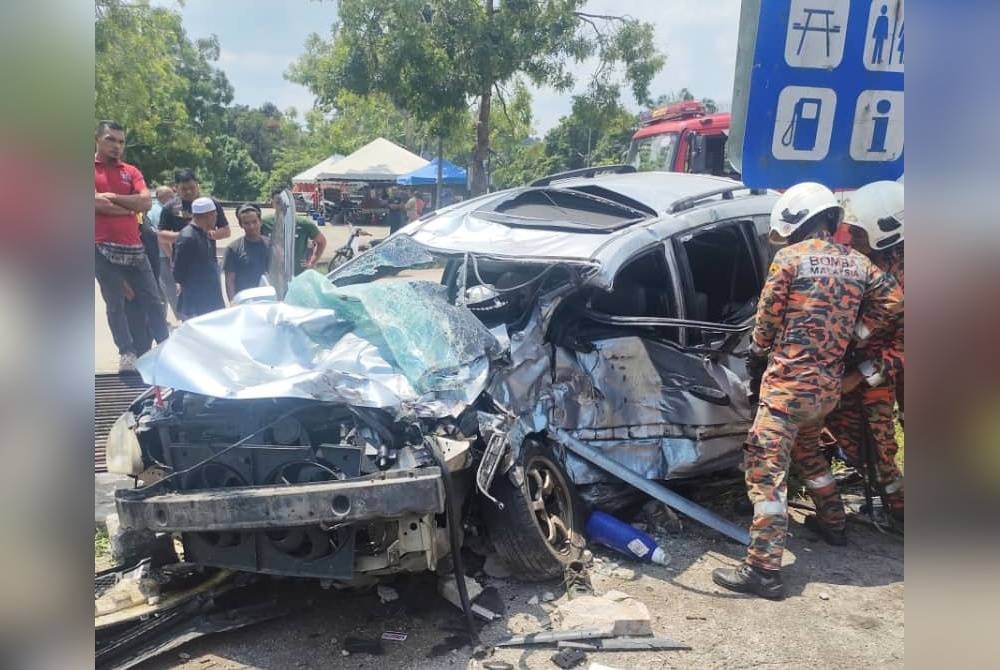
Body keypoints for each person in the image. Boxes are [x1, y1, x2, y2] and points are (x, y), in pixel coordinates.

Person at [711, 182, 903, 600]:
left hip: (787, 388)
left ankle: (763, 568)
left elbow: (766, 319)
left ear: (796, 226)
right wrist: (853, 334)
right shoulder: (859, 263)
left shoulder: (789, 259)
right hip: (827, 390)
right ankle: (833, 522)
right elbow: (893, 301)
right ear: (830, 219)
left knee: (765, 474)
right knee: (809, 453)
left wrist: (758, 355)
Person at [824, 181, 905, 520]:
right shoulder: (867, 264)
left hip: (881, 371)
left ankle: (900, 508)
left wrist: (860, 375)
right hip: (855, 364)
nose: (850, 239)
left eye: (857, 233)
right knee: (845, 432)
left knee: (880, 442)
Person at [93, 120, 169, 373]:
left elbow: (146, 202)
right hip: (101, 247)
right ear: (97, 140)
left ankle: (166, 346)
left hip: (134, 246)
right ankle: (127, 352)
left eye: (121, 141)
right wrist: (129, 205)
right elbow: (95, 205)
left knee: (154, 300)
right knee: (115, 303)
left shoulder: (131, 171)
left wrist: (113, 198)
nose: (116, 146)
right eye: (110, 140)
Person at [172, 196, 226, 319]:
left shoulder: (203, 233)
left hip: (209, 301)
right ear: (208, 215)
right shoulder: (188, 237)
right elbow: (178, 273)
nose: (216, 218)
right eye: (215, 214)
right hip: (196, 305)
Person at [157, 168, 231, 257]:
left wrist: (209, 234)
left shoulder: (211, 204)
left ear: (197, 185)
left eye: (192, 187)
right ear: (176, 188)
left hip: (207, 259)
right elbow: (161, 235)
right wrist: (185, 237)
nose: (189, 192)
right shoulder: (170, 207)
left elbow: (226, 231)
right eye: (184, 189)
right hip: (182, 259)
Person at [261, 188, 327, 274]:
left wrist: (312, 263)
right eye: (278, 202)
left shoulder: (304, 224)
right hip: (272, 275)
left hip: (297, 275)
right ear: (272, 203)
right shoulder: (264, 223)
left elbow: (321, 242)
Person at [223, 204, 271, 303]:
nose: (251, 226)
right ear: (241, 225)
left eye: (254, 222)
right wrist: (233, 303)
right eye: (247, 223)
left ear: (260, 222)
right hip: (244, 301)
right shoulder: (233, 248)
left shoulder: (272, 246)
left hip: (268, 300)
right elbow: (229, 281)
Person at [148, 185, 179, 316]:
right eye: (172, 196)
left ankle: (162, 319)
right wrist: (172, 257)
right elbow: (163, 238)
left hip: (154, 254)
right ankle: (183, 317)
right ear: (165, 197)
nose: (174, 198)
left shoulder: (152, 210)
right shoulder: (162, 212)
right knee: (172, 288)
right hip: (164, 255)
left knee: (160, 290)